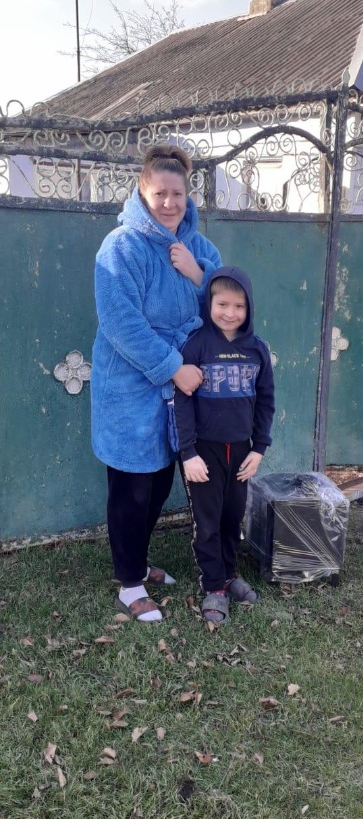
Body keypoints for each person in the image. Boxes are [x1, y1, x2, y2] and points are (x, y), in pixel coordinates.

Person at [91, 144, 222, 622]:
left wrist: (197, 273)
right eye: (159, 194)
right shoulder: (121, 247)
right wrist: (172, 367)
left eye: (177, 195)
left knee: (161, 480)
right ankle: (130, 585)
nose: (169, 203)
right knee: (132, 486)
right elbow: (120, 323)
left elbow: (229, 303)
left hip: (180, 392)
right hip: (132, 386)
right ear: (142, 193)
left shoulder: (200, 248)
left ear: (189, 197)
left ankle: (140, 564)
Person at [174, 266, 275, 624]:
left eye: (238, 306)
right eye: (222, 304)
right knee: (208, 522)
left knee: (233, 517)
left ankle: (229, 575)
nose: (230, 313)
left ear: (249, 308)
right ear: (209, 304)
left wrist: (259, 448)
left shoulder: (257, 350)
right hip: (204, 452)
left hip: (242, 451)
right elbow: (182, 403)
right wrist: (188, 453)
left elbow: (266, 401)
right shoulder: (196, 346)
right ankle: (213, 586)